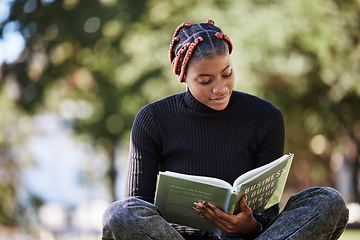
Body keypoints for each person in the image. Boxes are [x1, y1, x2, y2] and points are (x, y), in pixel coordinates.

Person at [102, 20, 349, 240]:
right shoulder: (152, 119)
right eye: (205, 80)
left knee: (328, 201)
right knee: (119, 214)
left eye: (227, 73)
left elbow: (268, 211)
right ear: (183, 75)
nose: (220, 88)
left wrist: (249, 225)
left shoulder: (266, 117)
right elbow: (136, 206)